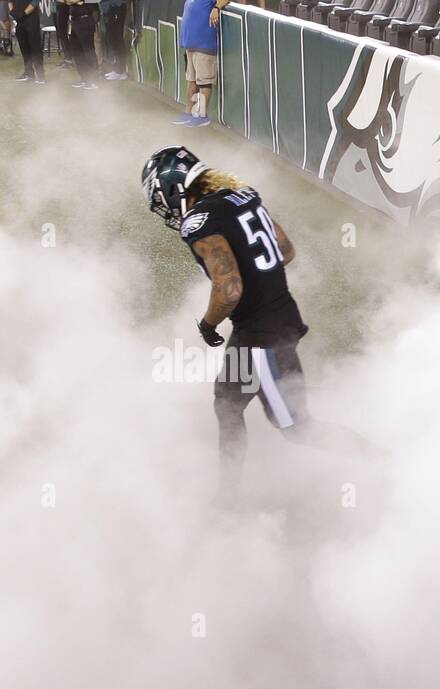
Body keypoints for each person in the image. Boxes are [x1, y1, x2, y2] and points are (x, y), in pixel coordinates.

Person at [141, 146, 380, 505]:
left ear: (173, 189)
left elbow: (230, 287)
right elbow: (285, 250)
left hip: (261, 337)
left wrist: (208, 325)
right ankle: (228, 495)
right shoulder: (240, 197)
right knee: (227, 403)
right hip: (261, 325)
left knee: (298, 428)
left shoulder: (198, 222)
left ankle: (385, 463)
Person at [175, 0, 232, 126]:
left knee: (204, 82)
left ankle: (202, 116)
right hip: (190, 43)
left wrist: (216, 8)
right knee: (191, 81)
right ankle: (188, 113)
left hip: (204, 43)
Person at [66, 0, 101, 89]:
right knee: (77, 52)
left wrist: (72, 1)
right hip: (74, 21)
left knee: (88, 51)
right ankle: (84, 78)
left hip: (86, 20)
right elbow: (66, 1)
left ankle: (93, 80)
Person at [10, 0, 43, 82]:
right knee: (24, 48)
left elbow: (35, 2)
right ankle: (29, 73)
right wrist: (12, 12)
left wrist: (24, 13)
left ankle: (41, 75)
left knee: (35, 48)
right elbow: (9, 2)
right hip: (19, 21)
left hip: (31, 18)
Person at [100, 0, 130, 80]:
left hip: (116, 7)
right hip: (109, 8)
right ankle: (118, 69)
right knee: (113, 40)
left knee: (117, 40)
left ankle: (120, 71)